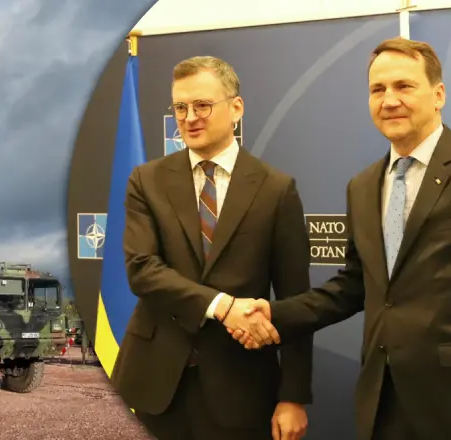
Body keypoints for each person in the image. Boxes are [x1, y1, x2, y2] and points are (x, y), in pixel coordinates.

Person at [229, 37, 451, 440]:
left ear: (438, 95)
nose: (389, 100)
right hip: (384, 403)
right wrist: (274, 314)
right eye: (378, 89)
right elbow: (354, 285)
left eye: (404, 86)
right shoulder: (363, 185)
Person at [109, 55, 313, 440]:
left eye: (202, 105)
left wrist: (293, 397)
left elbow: (296, 302)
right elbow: (142, 270)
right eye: (180, 108)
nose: (189, 118)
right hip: (152, 385)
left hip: (241, 389)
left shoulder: (276, 189)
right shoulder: (147, 180)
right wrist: (223, 306)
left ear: (236, 108)